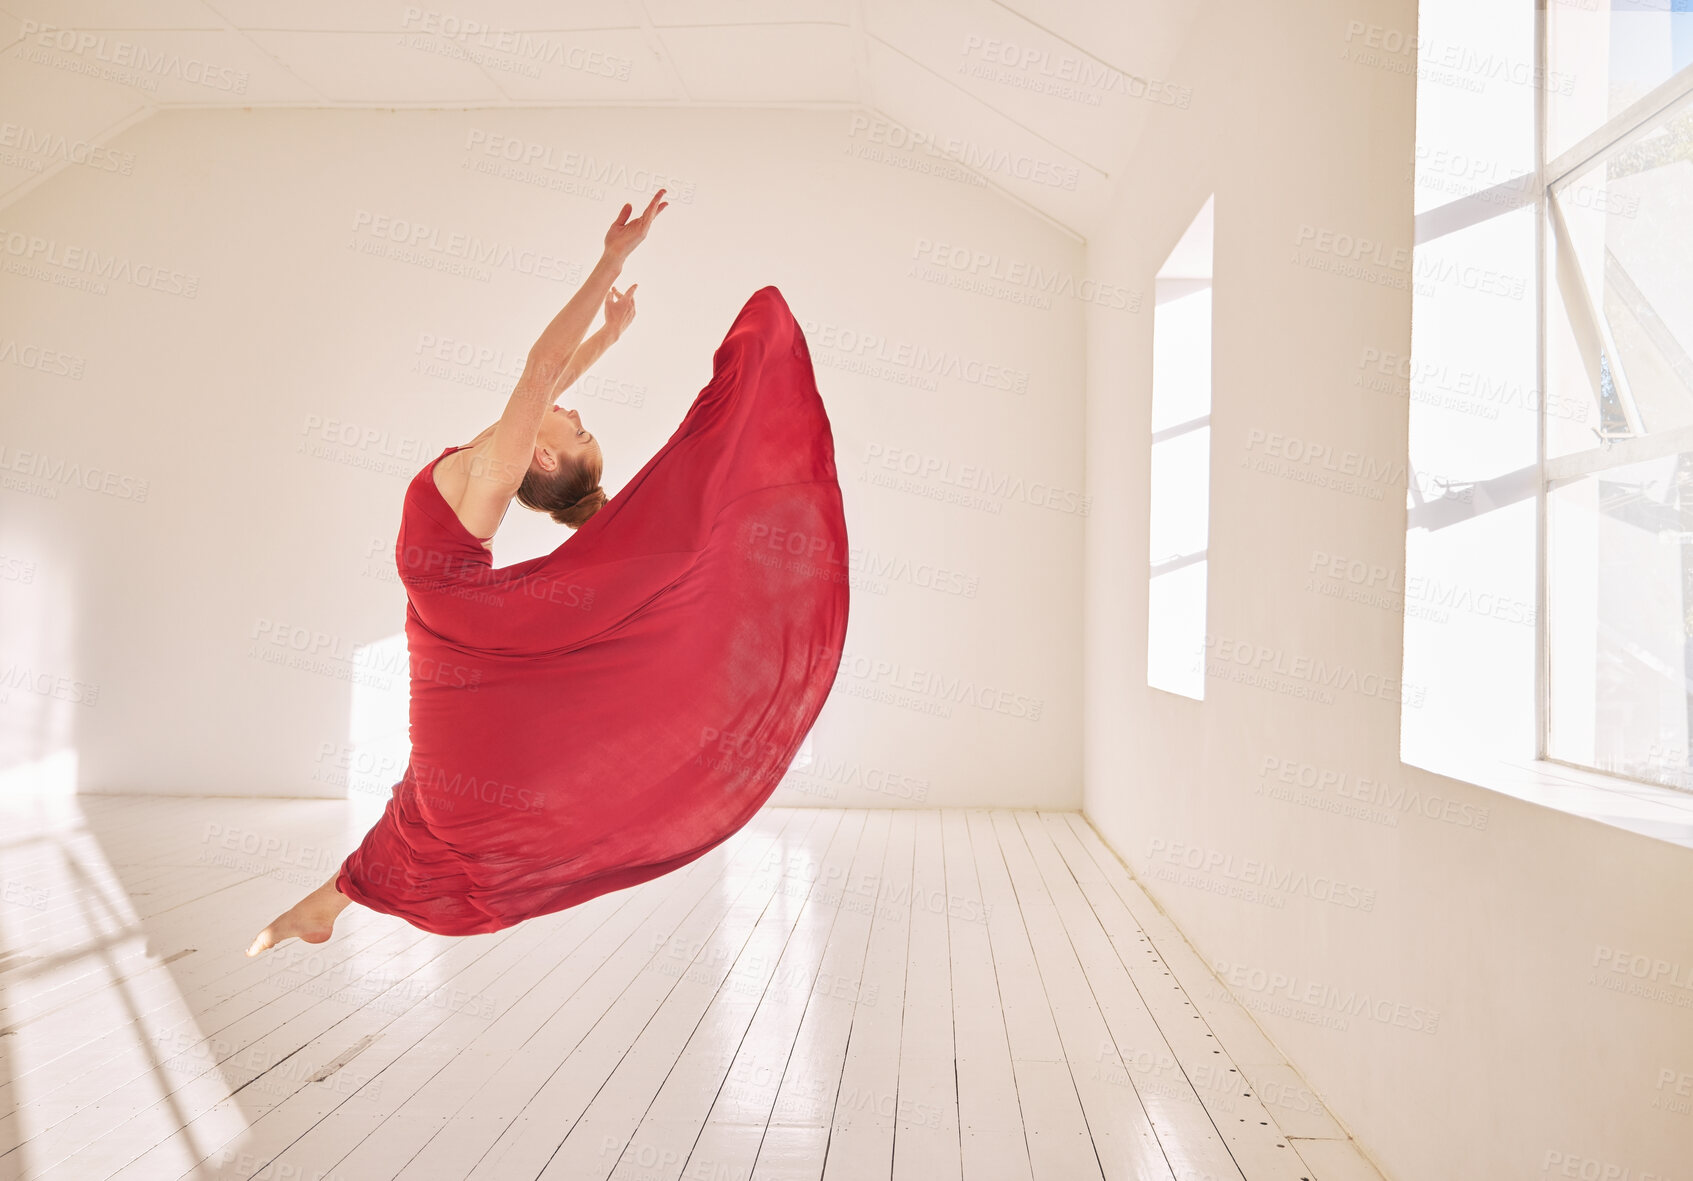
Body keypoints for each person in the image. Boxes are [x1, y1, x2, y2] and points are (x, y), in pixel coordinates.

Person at [248, 191, 848, 954]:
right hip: (446, 620)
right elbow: (553, 376)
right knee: (429, 802)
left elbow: (539, 370)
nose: (573, 412)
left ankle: (326, 902)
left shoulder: (490, 476)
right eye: (580, 423)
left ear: (539, 454)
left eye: (579, 430)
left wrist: (611, 259)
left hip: (455, 616)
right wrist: (610, 331)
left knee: (441, 802)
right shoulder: (495, 456)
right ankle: (324, 904)